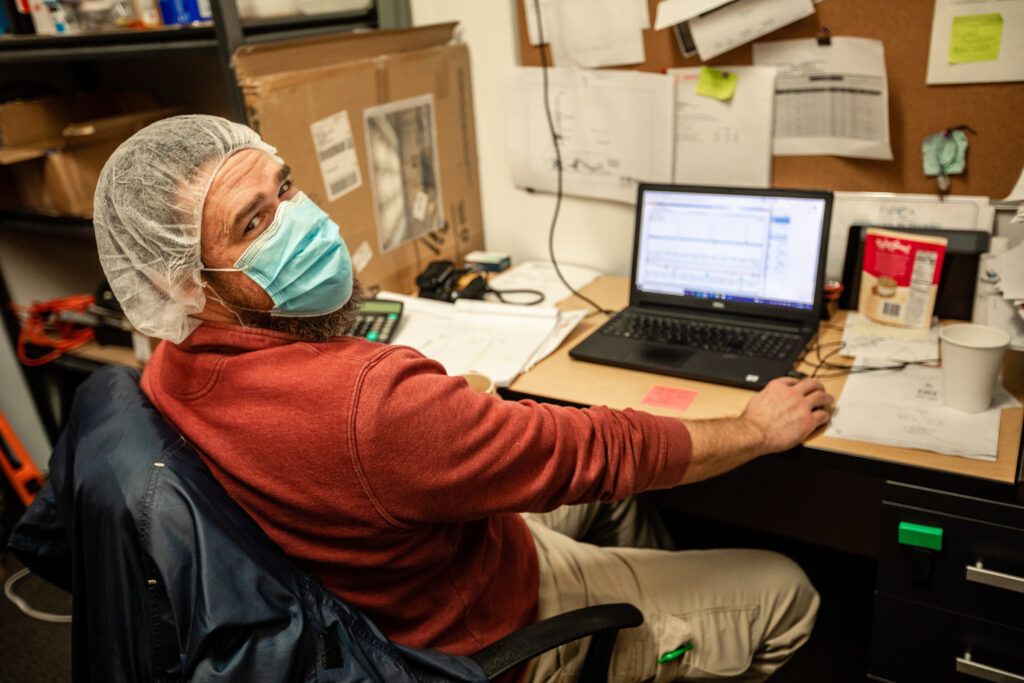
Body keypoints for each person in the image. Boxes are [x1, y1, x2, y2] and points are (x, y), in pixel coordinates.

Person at [93, 114, 833, 683]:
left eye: (284, 186)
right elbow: (601, 449)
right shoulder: (372, 405)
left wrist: (449, 423)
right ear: (184, 282)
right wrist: (754, 426)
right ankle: (613, 644)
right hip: (477, 631)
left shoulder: (171, 364)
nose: (299, 220)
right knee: (787, 590)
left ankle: (652, 631)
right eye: (254, 222)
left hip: (411, 568)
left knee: (617, 503)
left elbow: (373, 444)